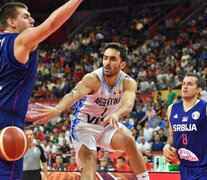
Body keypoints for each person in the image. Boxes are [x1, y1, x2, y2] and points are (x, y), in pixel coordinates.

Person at [31, 42, 149, 180]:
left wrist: (116, 114)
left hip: (107, 124)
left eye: (112, 59)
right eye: (105, 58)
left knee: (129, 140)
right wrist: (58, 108)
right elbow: (74, 94)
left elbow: (128, 105)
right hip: (84, 125)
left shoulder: (128, 82)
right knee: (90, 160)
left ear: (122, 64)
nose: (107, 62)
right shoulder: (93, 78)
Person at [0, 1, 83, 179]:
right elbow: (51, 25)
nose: (32, 20)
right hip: (6, 121)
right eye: (26, 16)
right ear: (11, 22)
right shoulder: (19, 40)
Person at [163, 73, 207, 180]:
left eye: (190, 84)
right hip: (184, 168)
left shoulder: (204, 107)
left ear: (198, 90)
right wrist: (166, 146)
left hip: (203, 168)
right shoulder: (171, 109)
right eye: (183, 83)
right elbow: (172, 136)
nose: (185, 86)